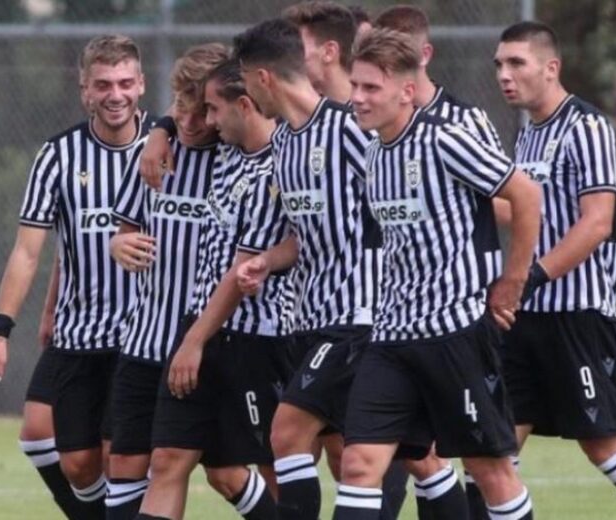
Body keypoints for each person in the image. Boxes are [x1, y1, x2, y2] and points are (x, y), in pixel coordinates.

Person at [332, 28, 541, 520]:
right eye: (355, 85)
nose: (357, 97)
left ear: (407, 91)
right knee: (358, 463)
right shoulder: (373, 152)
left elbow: (526, 194)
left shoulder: (444, 139)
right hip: (390, 340)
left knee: (490, 471)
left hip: (455, 338)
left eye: (370, 88)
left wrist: (513, 280)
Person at [493, 21, 616, 519]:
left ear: (551, 68)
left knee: (604, 446)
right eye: (499, 64)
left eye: (516, 63)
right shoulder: (528, 134)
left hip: (577, 315)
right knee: (492, 453)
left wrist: (531, 276)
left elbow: (596, 223)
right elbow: (521, 211)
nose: (504, 74)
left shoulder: (586, 126)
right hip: (525, 317)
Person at [0, 34, 149, 518]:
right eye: (103, 84)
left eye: (124, 83)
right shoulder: (58, 156)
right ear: (84, 89)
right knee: (76, 463)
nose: (115, 94)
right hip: (79, 336)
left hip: (143, 339)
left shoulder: (167, 146)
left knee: (122, 461)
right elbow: (28, 252)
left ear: (141, 84)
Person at [135, 57, 293, 520]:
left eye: (213, 110)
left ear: (244, 105)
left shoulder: (280, 167)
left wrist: (192, 342)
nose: (205, 121)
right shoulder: (226, 149)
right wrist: (160, 129)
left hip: (255, 340)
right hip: (200, 327)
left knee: (265, 467)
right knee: (168, 459)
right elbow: (188, 99)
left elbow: (241, 274)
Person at [233, 18, 377, 520]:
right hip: (310, 321)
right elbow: (305, 234)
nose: (248, 95)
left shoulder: (349, 128)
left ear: (263, 78)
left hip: (356, 318)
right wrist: (266, 261)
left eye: (246, 82)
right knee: (358, 456)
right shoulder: (284, 144)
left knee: (287, 433)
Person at [373, 6, 512, 517]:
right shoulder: (373, 130)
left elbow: (506, 199)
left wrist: (507, 280)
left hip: (459, 316)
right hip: (395, 317)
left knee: (477, 460)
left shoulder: (459, 124)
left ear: (422, 56)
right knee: (399, 454)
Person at [105, 43, 226, 519]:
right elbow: (125, 230)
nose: (189, 123)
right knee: (125, 463)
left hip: (202, 343)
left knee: (223, 473)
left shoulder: (236, 158)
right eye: (180, 108)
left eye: (201, 113)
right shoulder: (155, 154)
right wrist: (120, 245)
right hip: (144, 338)